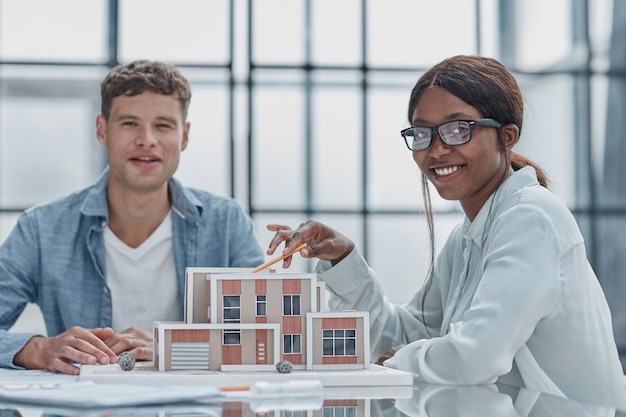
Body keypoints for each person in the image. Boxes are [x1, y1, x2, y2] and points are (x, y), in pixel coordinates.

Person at [265, 55, 625, 405]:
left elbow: (474, 357)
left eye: (458, 129)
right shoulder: (470, 234)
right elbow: (407, 336)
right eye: (422, 133)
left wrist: (398, 358)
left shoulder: (530, 218)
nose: (436, 150)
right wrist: (344, 259)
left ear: (507, 136)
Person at [0, 60, 265, 375]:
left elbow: (266, 338)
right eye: (129, 124)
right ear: (102, 129)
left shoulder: (227, 224)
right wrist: (38, 349)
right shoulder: (41, 229)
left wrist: (175, 347)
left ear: (184, 136)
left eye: (163, 125)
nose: (147, 139)